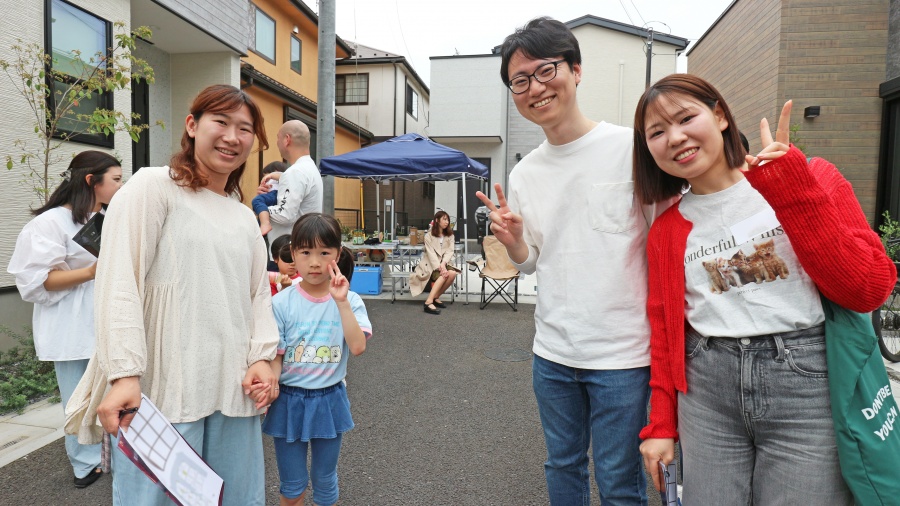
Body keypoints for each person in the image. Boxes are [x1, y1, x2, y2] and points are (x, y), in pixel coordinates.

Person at [632, 74, 896, 505]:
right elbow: (664, 333)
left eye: (685, 119)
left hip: (806, 386)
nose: (675, 138)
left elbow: (867, 290)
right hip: (706, 389)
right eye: (656, 132)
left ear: (720, 115)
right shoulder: (666, 229)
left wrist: (791, 188)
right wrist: (661, 425)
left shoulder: (812, 176)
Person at [475, 17, 666, 505]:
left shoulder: (631, 147)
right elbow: (531, 262)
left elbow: (667, 238)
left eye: (546, 71)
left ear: (576, 71)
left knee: (619, 478)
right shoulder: (525, 173)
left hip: (624, 355)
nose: (535, 88)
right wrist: (515, 242)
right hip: (553, 351)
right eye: (520, 81)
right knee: (561, 465)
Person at [64, 84, 280, 506]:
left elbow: (257, 298)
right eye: (221, 122)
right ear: (192, 125)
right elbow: (119, 281)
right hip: (163, 392)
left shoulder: (243, 217)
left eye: (245, 129)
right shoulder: (154, 187)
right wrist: (125, 374)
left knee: (238, 498)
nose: (232, 137)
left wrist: (262, 359)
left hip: (233, 388)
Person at [7, 150, 123, 488]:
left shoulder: (103, 217)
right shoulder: (48, 224)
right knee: (78, 397)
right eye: (116, 179)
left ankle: (117, 456)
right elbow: (36, 281)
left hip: (107, 316)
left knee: (113, 391)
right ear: (91, 181)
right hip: (70, 323)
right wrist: (90, 271)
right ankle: (85, 464)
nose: (121, 186)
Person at [261, 213, 370, 506]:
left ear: (338, 254)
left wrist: (341, 301)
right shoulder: (281, 302)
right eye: (306, 252)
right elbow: (276, 356)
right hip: (289, 400)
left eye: (324, 253)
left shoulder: (350, 300)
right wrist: (270, 386)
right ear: (292, 253)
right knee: (292, 484)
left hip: (329, 398)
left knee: (324, 479)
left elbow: (357, 346)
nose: (314, 262)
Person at [256, 120, 323, 240]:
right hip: (305, 240)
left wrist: (262, 209)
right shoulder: (309, 168)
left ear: (287, 139)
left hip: (288, 246)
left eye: (278, 138)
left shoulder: (295, 172)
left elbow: (285, 215)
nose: (277, 143)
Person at [409, 210, 459, 315]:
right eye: (444, 219)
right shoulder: (429, 236)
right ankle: (428, 302)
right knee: (444, 275)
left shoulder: (450, 235)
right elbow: (431, 254)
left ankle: (436, 297)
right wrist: (440, 267)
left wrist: (443, 264)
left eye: (448, 220)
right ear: (437, 220)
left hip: (444, 263)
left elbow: (450, 251)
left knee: (453, 273)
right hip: (431, 265)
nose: (447, 222)